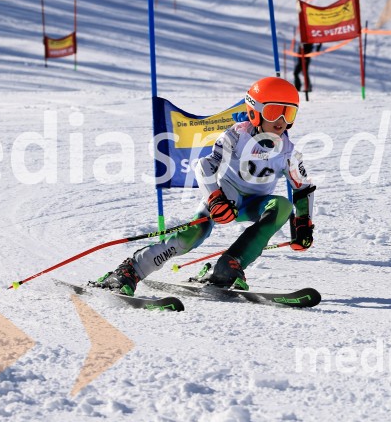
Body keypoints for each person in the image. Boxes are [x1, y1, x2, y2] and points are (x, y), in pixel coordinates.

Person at [96, 77, 316, 295]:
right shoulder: (236, 136)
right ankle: (131, 270)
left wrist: (304, 223)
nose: (280, 120)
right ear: (254, 111)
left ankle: (228, 266)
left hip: (255, 204)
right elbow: (204, 166)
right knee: (194, 234)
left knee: (283, 206)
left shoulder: (288, 151)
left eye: (288, 113)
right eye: (273, 111)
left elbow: (303, 187)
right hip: (226, 197)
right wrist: (215, 198)